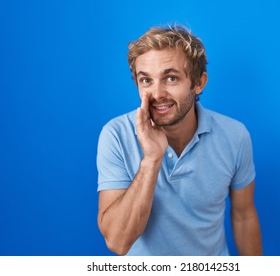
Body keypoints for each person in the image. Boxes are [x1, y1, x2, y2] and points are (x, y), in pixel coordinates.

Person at [96, 24, 262, 256]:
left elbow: (244, 215)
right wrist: (151, 159)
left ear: (198, 83)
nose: (157, 93)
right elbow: (118, 242)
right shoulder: (115, 135)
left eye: (171, 78)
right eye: (146, 80)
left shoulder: (235, 135)